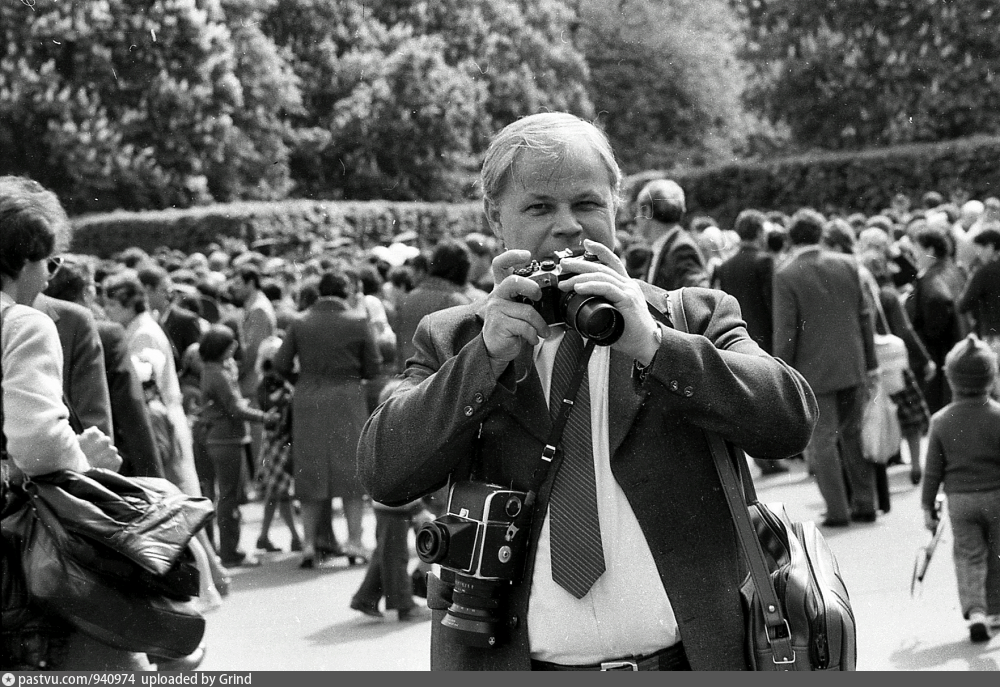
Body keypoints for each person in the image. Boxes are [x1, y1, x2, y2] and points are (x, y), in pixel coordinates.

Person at [357, 113, 817, 671]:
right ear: (496, 218)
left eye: (587, 203)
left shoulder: (690, 316)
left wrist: (655, 345)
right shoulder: (454, 337)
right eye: (539, 207)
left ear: (615, 207)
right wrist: (484, 359)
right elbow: (384, 470)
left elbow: (790, 420)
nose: (568, 226)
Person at [0, 175, 144, 670]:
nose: (49, 279)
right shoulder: (22, 324)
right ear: (24, 258)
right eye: (49, 262)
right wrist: (84, 458)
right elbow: (38, 444)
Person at [773, 208, 879, 527]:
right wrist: (871, 364)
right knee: (853, 436)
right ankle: (865, 502)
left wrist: (781, 372)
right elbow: (865, 316)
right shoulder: (848, 264)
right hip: (852, 363)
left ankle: (837, 510)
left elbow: (786, 331)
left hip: (813, 371)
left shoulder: (785, 274)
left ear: (791, 237)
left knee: (823, 442)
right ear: (821, 234)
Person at [273, 265, 382, 568]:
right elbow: (373, 367)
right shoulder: (358, 321)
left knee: (310, 473)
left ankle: (309, 545)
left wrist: (301, 378)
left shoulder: (299, 322)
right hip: (347, 397)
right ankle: (355, 542)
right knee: (351, 472)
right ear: (346, 292)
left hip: (308, 399)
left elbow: (280, 364)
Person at [44, 255, 165, 479]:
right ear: (87, 292)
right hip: (101, 467)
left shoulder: (25, 323)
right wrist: (154, 480)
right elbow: (134, 418)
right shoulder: (108, 334)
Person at [921, 334, 1000, 643]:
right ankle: (995, 610)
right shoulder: (997, 416)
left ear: (951, 378)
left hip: (960, 501)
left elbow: (932, 471)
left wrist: (928, 507)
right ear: (991, 377)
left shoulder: (941, 421)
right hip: (996, 496)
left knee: (969, 555)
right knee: (996, 554)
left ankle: (976, 611)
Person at [711, 209, 786, 476]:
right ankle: (776, 455)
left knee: (756, 401)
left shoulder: (726, 265)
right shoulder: (764, 261)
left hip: (739, 337)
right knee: (774, 397)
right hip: (767, 336)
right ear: (758, 232)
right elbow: (774, 303)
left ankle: (765, 457)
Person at [198, 324, 275, 567]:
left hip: (220, 438)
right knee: (229, 498)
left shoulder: (213, 370)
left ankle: (229, 549)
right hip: (227, 439)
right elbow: (235, 408)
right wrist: (264, 417)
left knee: (226, 496)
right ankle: (230, 552)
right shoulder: (218, 374)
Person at [393, 238, 480, 373]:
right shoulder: (458, 302)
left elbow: (399, 348)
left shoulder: (407, 298)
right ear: (462, 268)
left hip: (410, 377)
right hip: (441, 381)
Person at [635, 178, 710, 291]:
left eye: (637, 210)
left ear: (647, 211)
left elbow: (700, 294)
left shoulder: (681, 249)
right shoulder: (663, 246)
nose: (635, 218)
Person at [957, 228, 1000, 394]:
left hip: (993, 334)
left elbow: (963, 304)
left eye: (980, 248)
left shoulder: (984, 272)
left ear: (990, 247)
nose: (978, 253)